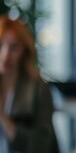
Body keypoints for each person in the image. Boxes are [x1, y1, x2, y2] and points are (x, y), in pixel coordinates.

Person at [0, 16, 58, 153]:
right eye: (0, 45)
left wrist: (3, 119)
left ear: (24, 51)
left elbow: (41, 146)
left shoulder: (38, 89)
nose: (5, 55)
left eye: (14, 47)